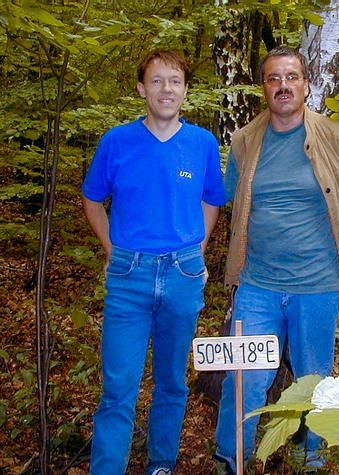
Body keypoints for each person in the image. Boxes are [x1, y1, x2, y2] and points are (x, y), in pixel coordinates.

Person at [214, 46, 339, 472]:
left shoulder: (336, 139)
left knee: (314, 383)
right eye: (273, 78)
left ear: (305, 84)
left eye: (291, 77)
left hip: (318, 285)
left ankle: (309, 461)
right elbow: (227, 201)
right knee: (243, 380)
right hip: (256, 286)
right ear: (263, 86)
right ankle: (232, 460)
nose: (283, 86)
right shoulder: (244, 142)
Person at [82, 49, 227, 474]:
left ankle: (160, 465)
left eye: (175, 81)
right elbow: (92, 200)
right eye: (158, 80)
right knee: (119, 387)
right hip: (129, 275)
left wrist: (196, 253)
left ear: (185, 90)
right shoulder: (117, 141)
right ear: (142, 88)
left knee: (171, 383)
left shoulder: (200, 142)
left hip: (182, 274)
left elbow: (212, 201)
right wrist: (113, 250)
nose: (167, 89)